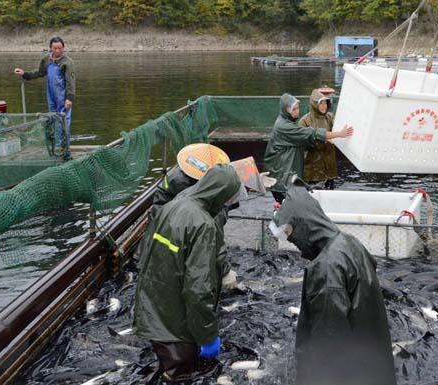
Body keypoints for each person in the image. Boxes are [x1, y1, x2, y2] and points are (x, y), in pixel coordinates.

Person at [270, 177, 396, 385]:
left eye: (290, 233)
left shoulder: (327, 267)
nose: (291, 241)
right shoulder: (349, 242)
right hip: (372, 363)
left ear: (304, 225)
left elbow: (328, 339)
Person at [134, 163, 241, 381]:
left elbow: (146, 253)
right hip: (173, 323)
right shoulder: (203, 224)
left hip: (151, 303)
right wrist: (208, 335)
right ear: (221, 194)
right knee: (182, 373)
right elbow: (197, 290)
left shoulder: (173, 204)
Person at [264, 93, 353, 203]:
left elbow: (304, 138)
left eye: (298, 108)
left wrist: (325, 138)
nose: (297, 111)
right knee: (291, 208)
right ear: (285, 110)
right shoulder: (285, 126)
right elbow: (311, 133)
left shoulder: (286, 122)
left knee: (292, 207)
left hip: (284, 177)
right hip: (282, 179)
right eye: (293, 109)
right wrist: (339, 134)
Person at [14, 36, 75, 159]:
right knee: (52, 119)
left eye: (60, 48)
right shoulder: (46, 59)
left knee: (63, 122)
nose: (57, 51)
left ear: (63, 48)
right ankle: (54, 147)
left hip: (63, 95)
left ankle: (65, 149)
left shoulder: (67, 62)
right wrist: (25, 74)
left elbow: (71, 81)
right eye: (55, 48)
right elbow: (40, 72)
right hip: (51, 94)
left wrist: (69, 98)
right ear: (50, 48)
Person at [298, 87, 338, 189]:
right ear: (314, 104)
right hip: (312, 170)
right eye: (321, 103)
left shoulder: (330, 117)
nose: (324, 106)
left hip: (329, 168)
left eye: (326, 103)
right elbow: (302, 143)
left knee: (330, 197)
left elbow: (339, 129)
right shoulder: (304, 121)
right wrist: (323, 139)